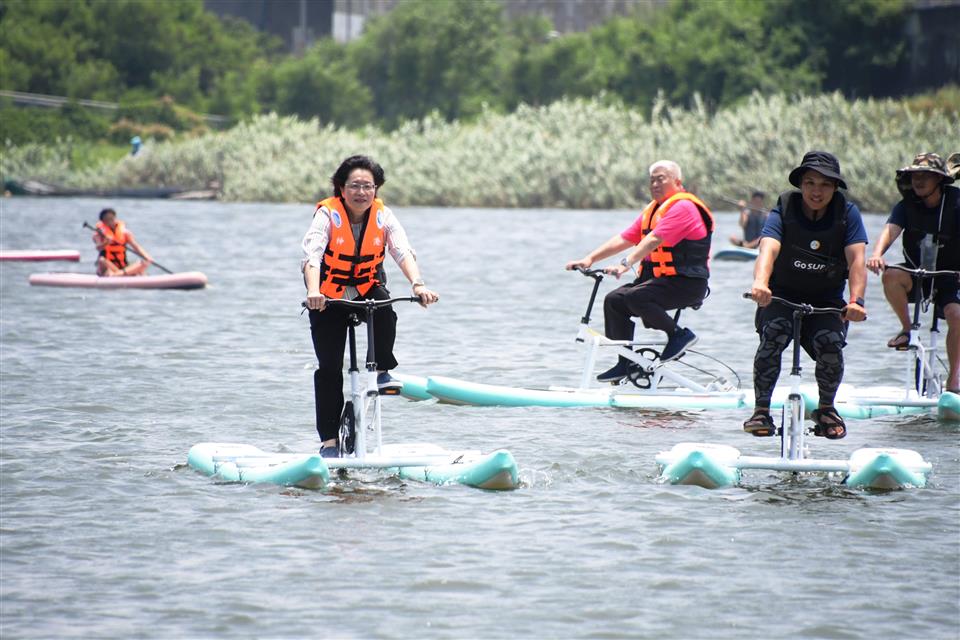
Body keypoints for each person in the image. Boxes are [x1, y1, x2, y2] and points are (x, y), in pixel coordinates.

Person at [302, 155, 439, 457]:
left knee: (385, 310)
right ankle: (329, 443)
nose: (361, 192)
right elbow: (312, 256)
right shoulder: (327, 215)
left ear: (376, 189)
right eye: (355, 186)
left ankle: (381, 372)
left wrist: (418, 285)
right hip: (327, 296)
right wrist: (313, 291)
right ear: (341, 188)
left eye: (368, 186)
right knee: (329, 369)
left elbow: (402, 251)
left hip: (366, 288)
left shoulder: (383, 216)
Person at [744, 151, 868, 439]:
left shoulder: (847, 213)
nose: (816, 191)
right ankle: (761, 410)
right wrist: (760, 283)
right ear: (801, 184)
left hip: (826, 301)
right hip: (780, 296)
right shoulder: (785, 206)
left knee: (830, 343)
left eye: (825, 184)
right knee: (773, 335)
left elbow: (857, 260)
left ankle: (826, 409)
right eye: (810, 182)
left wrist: (856, 301)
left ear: (835, 188)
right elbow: (768, 248)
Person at [565, 160, 714, 381]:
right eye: (652, 180)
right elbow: (625, 238)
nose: (654, 184)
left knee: (636, 296)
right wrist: (590, 259)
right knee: (614, 300)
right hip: (660, 282)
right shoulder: (653, 210)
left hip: (686, 283)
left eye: (660, 179)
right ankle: (625, 362)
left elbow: (654, 239)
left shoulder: (684, 207)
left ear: (677, 181)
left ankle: (679, 335)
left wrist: (625, 264)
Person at [865, 152, 960, 394]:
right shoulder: (906, 205)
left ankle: (953, 382)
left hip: (952, 278)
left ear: (939, 180)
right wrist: (877, 254)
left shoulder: (956, 201)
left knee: (956, 315)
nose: (918, 180)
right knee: (891, 275)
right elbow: (891, 230)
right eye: (915, 175)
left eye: (926, 175)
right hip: (919, 275)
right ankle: (907, 331)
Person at [92, 208, 152, 276]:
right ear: (103, 222)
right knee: (101, 260)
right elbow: (98, 248)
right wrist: (106, 243)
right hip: (108, 266)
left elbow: (136, 246)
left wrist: (146, 256)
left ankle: (118, 275)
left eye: (112, 219)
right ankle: (124, 274)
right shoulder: (99, 234)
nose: (110, 222)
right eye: (107, 220)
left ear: (115, 218)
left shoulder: (125, 233)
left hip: (123, 266)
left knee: (144, 263)